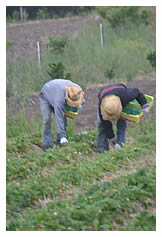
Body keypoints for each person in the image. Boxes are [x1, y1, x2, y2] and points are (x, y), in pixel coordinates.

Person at [97, 82, 149, 153]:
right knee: (101, 125)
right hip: (104, 93)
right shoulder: (102, 107)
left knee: (122, 121)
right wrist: (114, 142)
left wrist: (145, 105)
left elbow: (137, 91)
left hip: (119, 90)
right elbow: (106, 125)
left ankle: (121, 147)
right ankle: (102, 150)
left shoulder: (126, 95)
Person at [40, 79, 84, 151]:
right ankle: (47, 147)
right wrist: (62, 135)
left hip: (56, 92)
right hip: (46, 95)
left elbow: (82, 102)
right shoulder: (59, 100)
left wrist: (77, 107)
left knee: (64, 120)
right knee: (47, 119)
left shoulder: (78, 91)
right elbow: (59, 117)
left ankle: (59, 145)